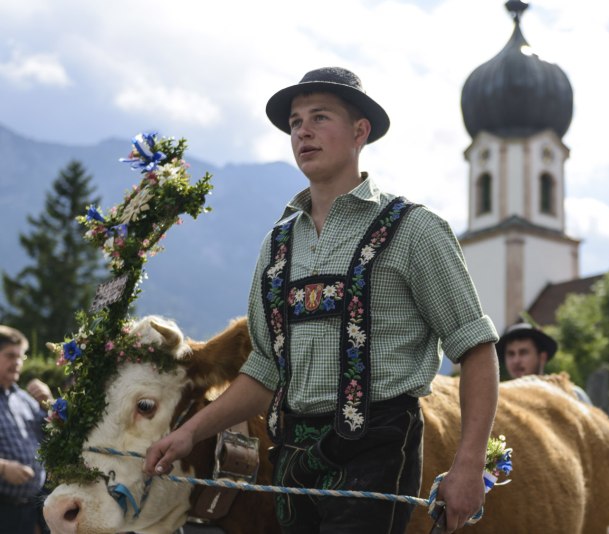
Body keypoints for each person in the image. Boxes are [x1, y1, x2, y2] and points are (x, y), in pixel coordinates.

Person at [144, 67, 500, 534]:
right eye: (294, 122)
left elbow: (474, 349)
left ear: (360, 131)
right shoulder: (277, 245)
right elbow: (266, 370)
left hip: (378, 449)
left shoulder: (414, 229)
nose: (302, 132)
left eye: (319, 117)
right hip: (291, 453)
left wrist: (469, 464)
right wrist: (190, 431)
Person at [0, 324, 52, 534]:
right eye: (10, 355)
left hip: (31, 510)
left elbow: (55, 434)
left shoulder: (24, 399)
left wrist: (50, 403)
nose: (18, 363)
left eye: (21, 356)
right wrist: (2, 468)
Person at [495, 321, 591, 402]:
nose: (516, 360)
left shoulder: (571, 396)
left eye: (523, 352)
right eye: (511, 354)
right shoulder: (499, 401)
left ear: (542, 357)